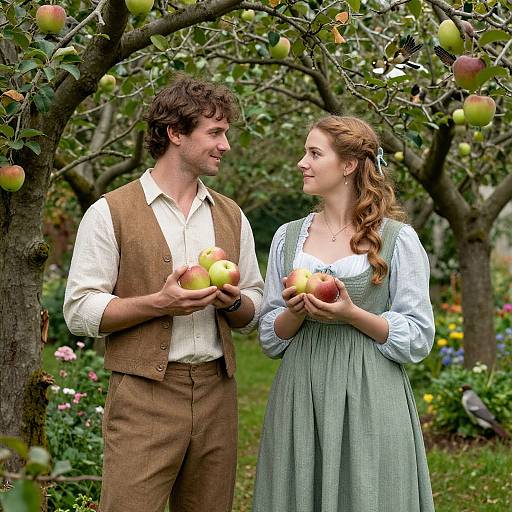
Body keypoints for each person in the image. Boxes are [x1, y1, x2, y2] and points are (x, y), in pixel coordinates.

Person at [63, 75, 264, 512]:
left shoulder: (231, 215)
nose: (225, 144)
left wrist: (231, 301)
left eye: (225, 133)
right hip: (143, 395)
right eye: (215, 132)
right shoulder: (110, 212)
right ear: (175, 133)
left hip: (217, 392)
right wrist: (159, 304)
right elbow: (79, 310)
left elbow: (253, 311)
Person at [253, 115, 435, 512]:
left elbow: (419, 335)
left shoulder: (397, 239)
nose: (302, 162)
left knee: (370, 492)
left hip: (371, 389)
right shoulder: (287, 237)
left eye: (314, 153)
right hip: (302, 388)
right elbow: (269, 335)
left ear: (349, 165)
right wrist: (296, 313)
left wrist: (353, 314)